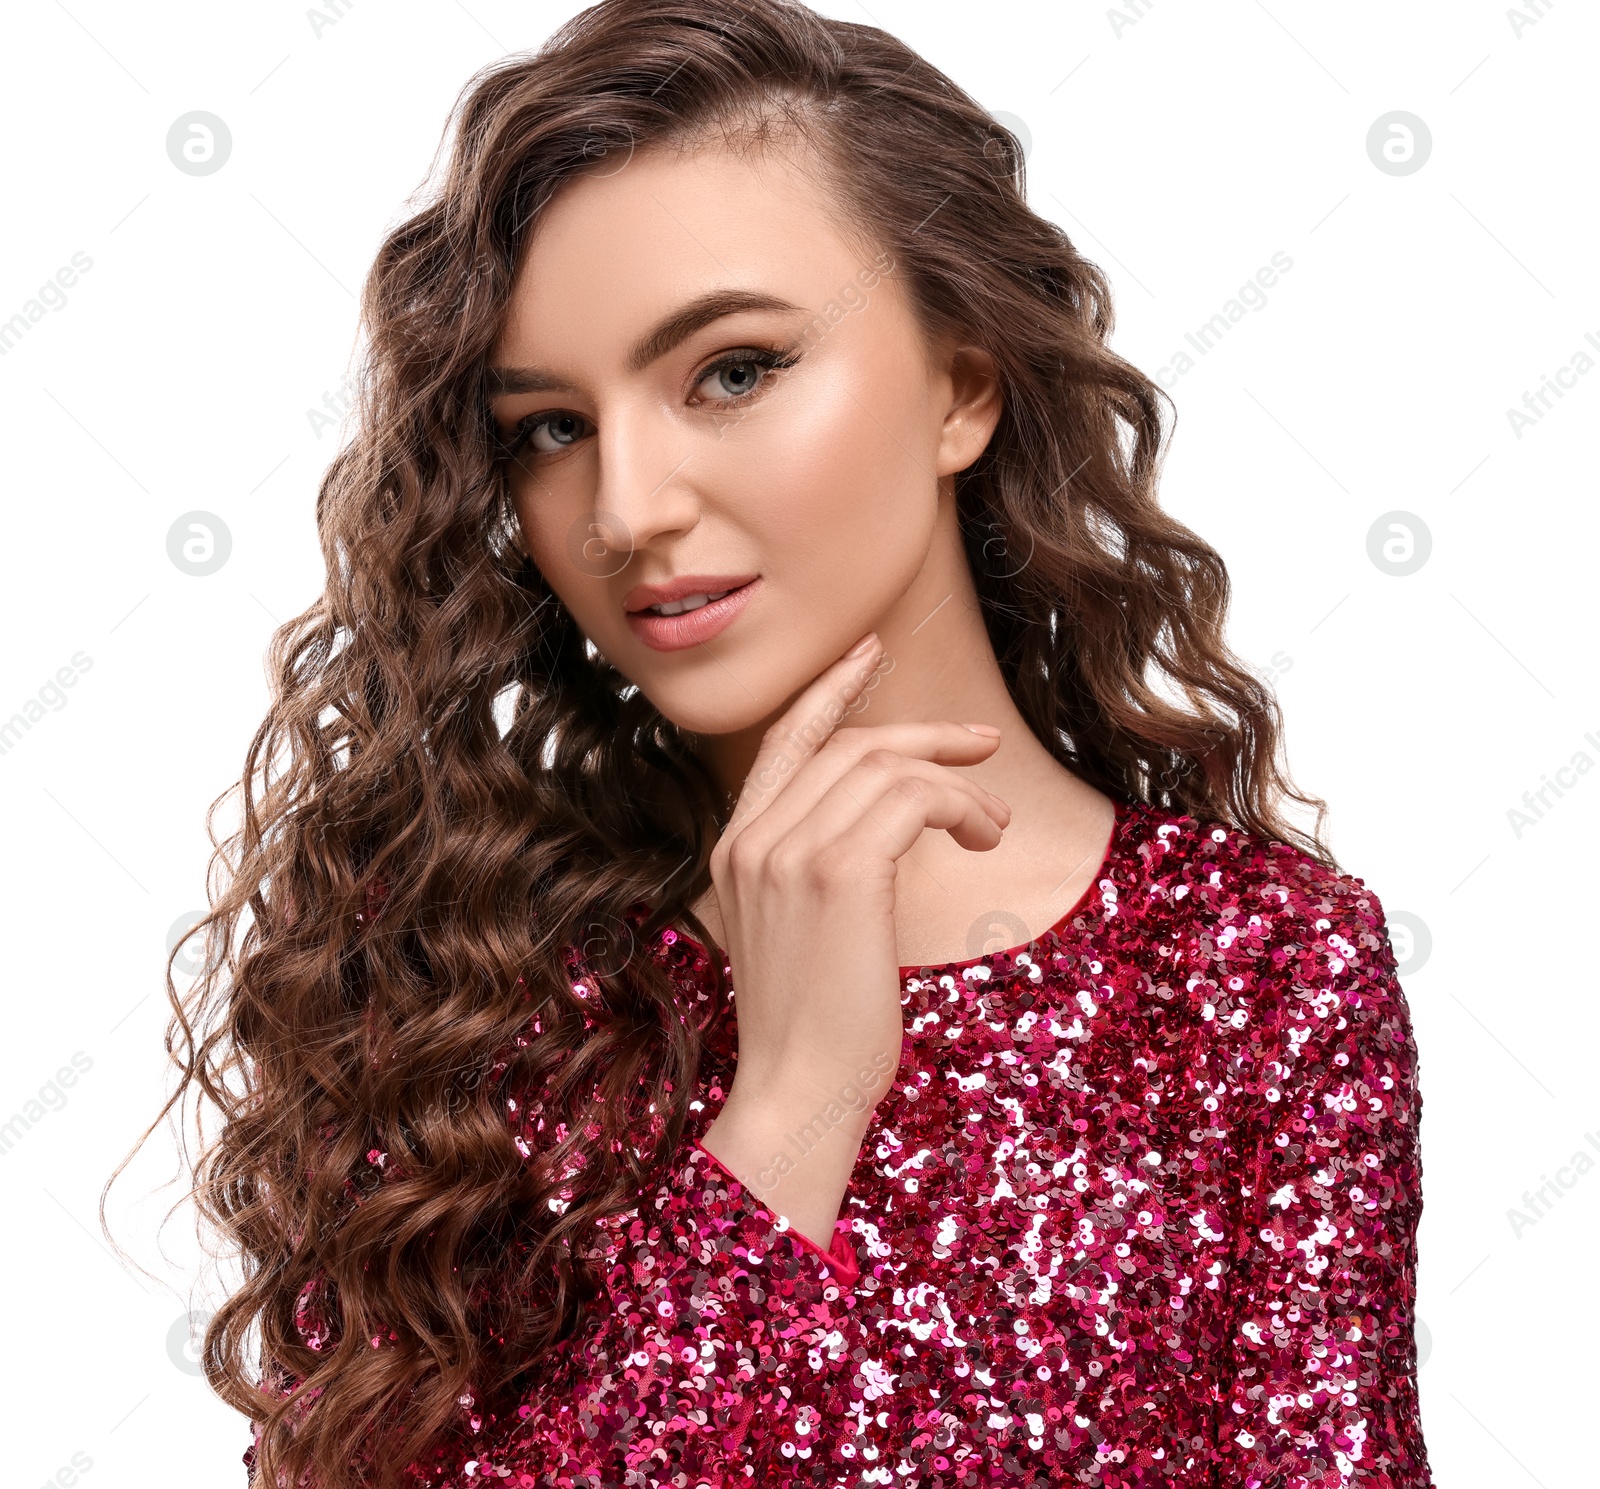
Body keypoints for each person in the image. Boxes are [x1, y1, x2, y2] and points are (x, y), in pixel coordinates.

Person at [142, 1, 1437, 1484]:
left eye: (734, 371)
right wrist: (792, 1099)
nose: (626, 506)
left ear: (961, 386)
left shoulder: (1254, 968)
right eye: (551, 428)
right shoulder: (460, 984)